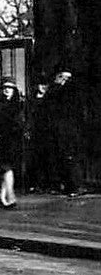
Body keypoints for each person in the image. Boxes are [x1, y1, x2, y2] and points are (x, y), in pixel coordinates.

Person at [45, 66, 85, 196]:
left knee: (70, 158)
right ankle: (69, 185)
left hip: (68, 131)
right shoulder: (61, 91)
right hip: (62, 131)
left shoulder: (66, 92)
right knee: (64, 158)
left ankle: (74, 186)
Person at [0, 77, 24, 207]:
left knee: (7, 169)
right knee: (5, 169)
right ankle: (6, 197)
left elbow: (19, 123)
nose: (7, 90)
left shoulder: (19, 104)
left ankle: (8, 196)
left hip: (13, 140)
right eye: (5, 88)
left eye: (10, 88)